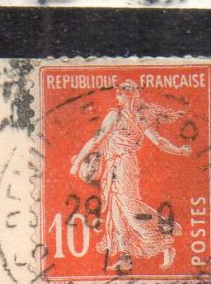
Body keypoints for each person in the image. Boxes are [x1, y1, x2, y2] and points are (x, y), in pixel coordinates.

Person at [68, 80, 193, 273]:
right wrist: (78, 161)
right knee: (116, 212)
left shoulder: (135, 118)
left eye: (121, 93)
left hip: (125, 165)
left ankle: (165, 238)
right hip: (112, 166)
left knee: (129, 208)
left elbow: (159, 141)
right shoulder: (117, 116)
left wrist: (180, 150)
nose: (117, 95)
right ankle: (126, 256)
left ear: (130, 95)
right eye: (117, 92)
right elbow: (96, 140)